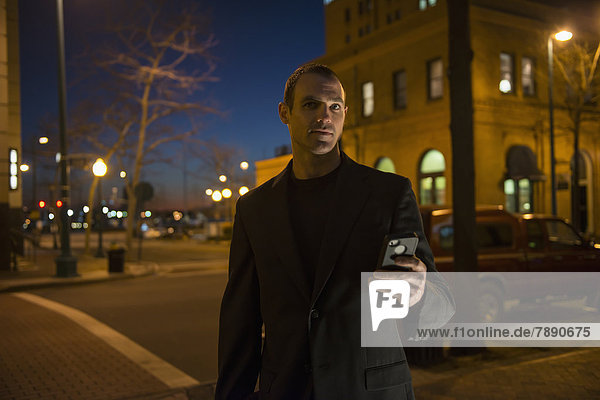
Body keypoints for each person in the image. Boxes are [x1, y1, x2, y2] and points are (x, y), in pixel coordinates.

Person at [216, 63, 454, 400]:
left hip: (371, 391)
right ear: (285, 112)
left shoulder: (389, 194)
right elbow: (240, 322)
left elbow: (441, 306)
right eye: (311, 104)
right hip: (287, 391)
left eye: (335, 107)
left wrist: (419, 292)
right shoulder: (254, 208)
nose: (325, 117)